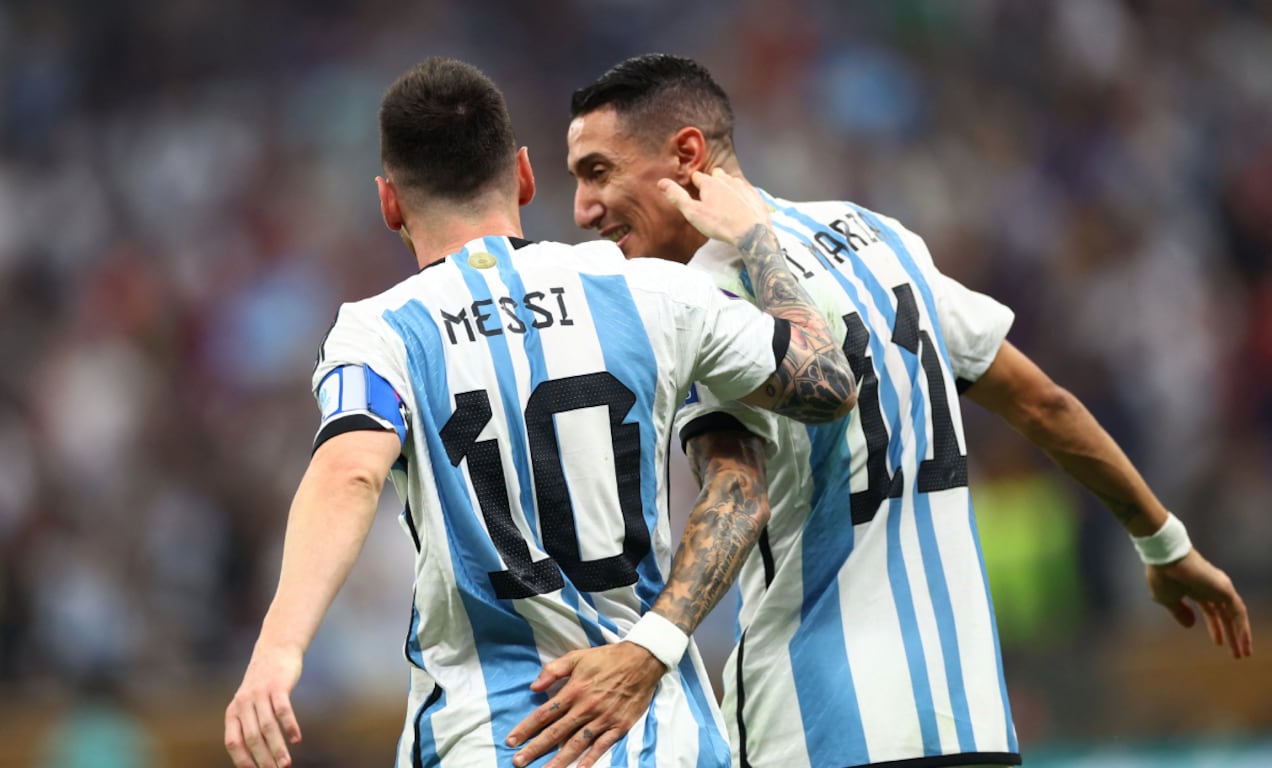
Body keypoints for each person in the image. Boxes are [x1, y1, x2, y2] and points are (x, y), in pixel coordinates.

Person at [506, 53, 1254, 768]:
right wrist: (1164, 542)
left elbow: (738, 492)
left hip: (817, 721)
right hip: (966, 718)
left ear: (687, 153)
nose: (582, 209)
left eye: (597, 173)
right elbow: (1041, 400)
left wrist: (648, 650)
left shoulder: (697, 297)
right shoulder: (877, 235)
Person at [222, 56, 857, 768]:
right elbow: (828, 380)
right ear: (524, 174)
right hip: (661, 737)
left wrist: (278, 650)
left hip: (492, 740)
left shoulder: (380, 333)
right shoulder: (649, 293)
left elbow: (349, 474)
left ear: (389, 203)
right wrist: (757, 238)